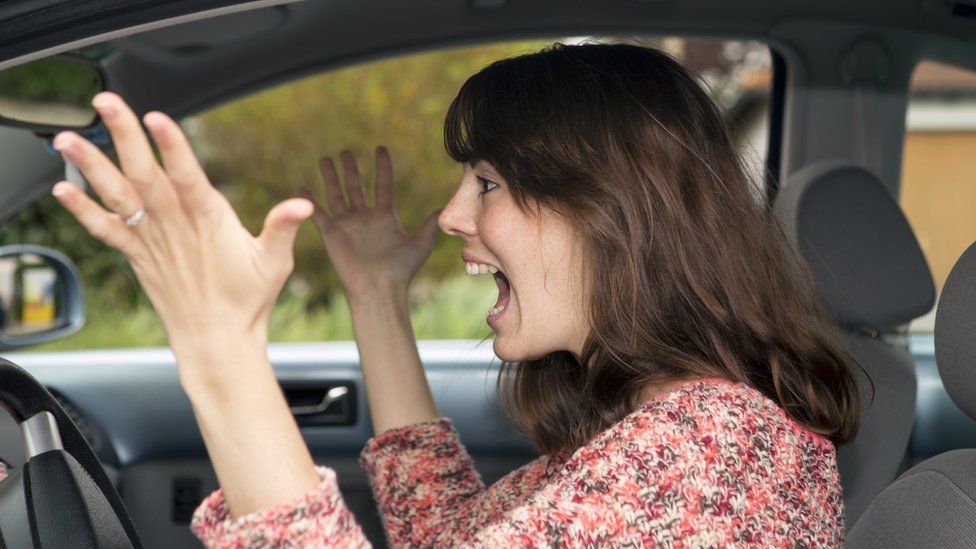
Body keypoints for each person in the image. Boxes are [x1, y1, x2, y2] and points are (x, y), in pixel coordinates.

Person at [46, 43, 859, 546]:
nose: (449, 214)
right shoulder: (665, 425)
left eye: (489, 182)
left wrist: (218, 341)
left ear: (611, 213)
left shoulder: (711, 453)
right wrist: (375, 294)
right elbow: (448, 536)